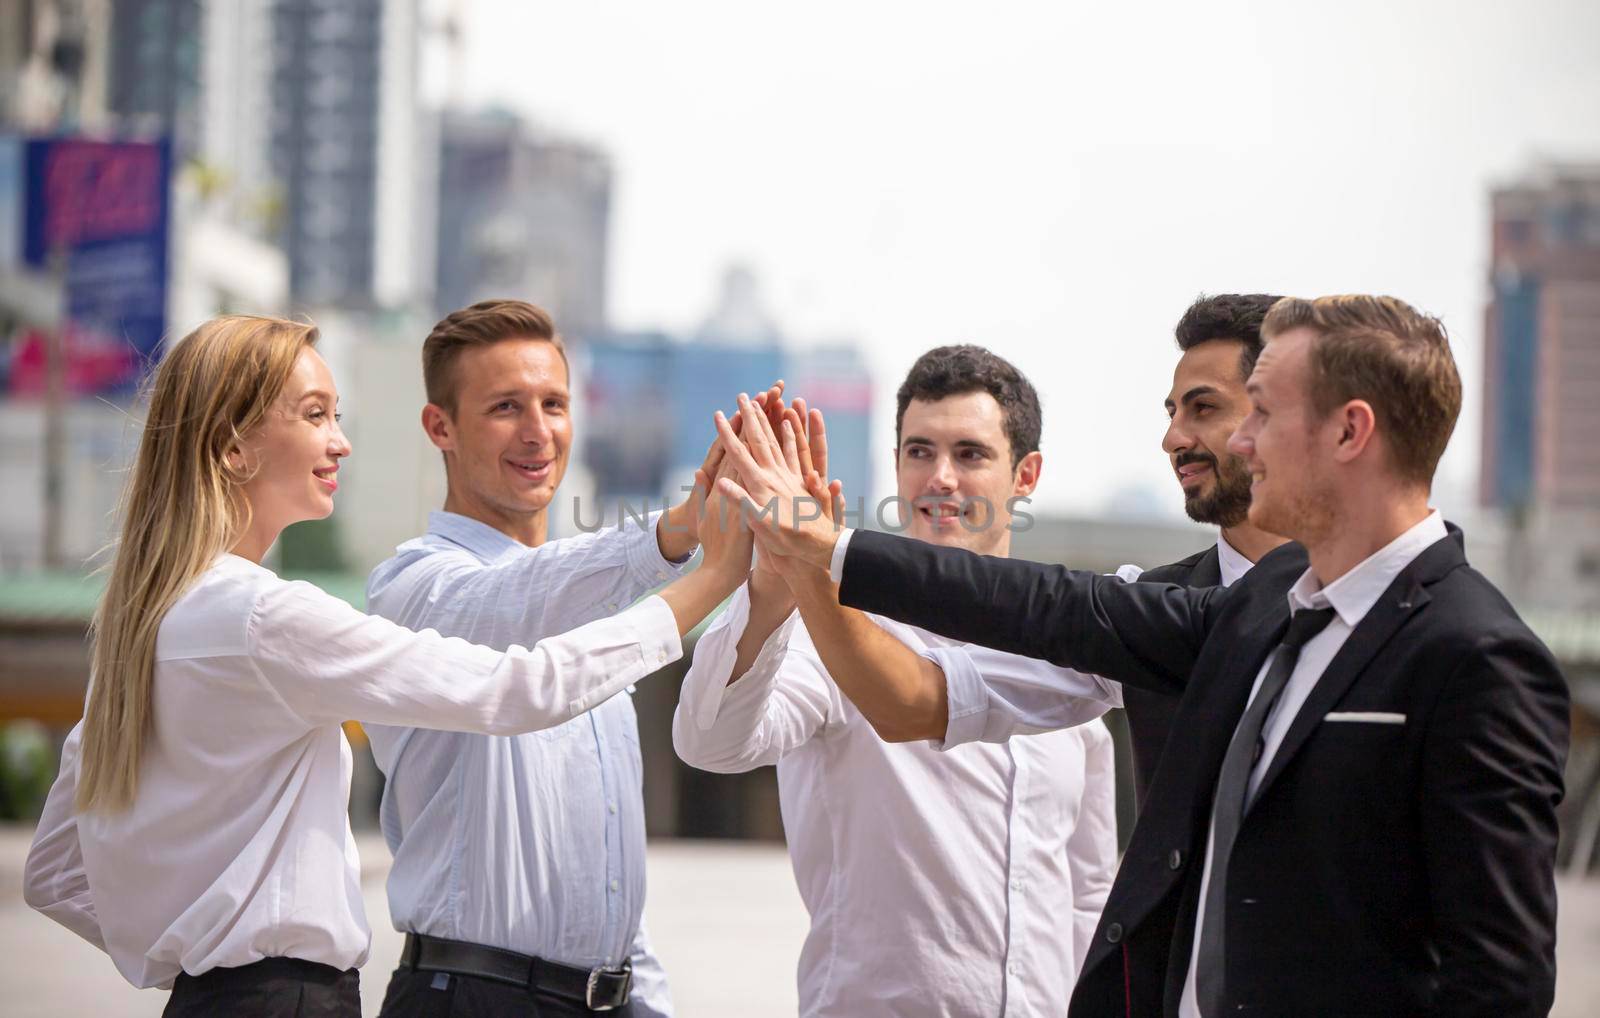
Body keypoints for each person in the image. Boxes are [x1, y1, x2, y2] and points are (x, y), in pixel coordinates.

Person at [716, 295, 1569, 1017]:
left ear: (1350, 431)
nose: (1235, 442)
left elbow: (1497, 978)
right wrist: (830, 551)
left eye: (1257, 412)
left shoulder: (1476, 656)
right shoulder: (1253, 612)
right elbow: (1042, 610)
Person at [22, 315, 750, 1018]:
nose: (340, 443)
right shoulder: (264, 616)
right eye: (314, 415)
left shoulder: (150, 626)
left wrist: (195, 953)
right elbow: (515, 688)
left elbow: (56, 873)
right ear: (235, 449)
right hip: (298, 1001)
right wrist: (706, 578)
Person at [673, 347, 1119, 1017]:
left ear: (1025, 474)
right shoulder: (833, 636)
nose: (940, 477)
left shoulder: (1064, 667)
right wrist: (774, 586)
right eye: (920, 452)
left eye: (969, 454)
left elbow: (1087, 894)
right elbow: (710, 744)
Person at [363, 300, 776, 1018]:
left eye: (553, 404)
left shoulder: (595, 607)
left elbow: (609, 866)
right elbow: (515, 600)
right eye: (504, 407)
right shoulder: (413, 590)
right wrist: (682, 534)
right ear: (441, 428)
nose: (538, 431)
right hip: (470, 998)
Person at [1121, 294, 1291, 809]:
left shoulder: (1387, 610)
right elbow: (941, 698)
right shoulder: (1146, 606)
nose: (1172, 438)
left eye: (1204, 408)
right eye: (1174, 412)